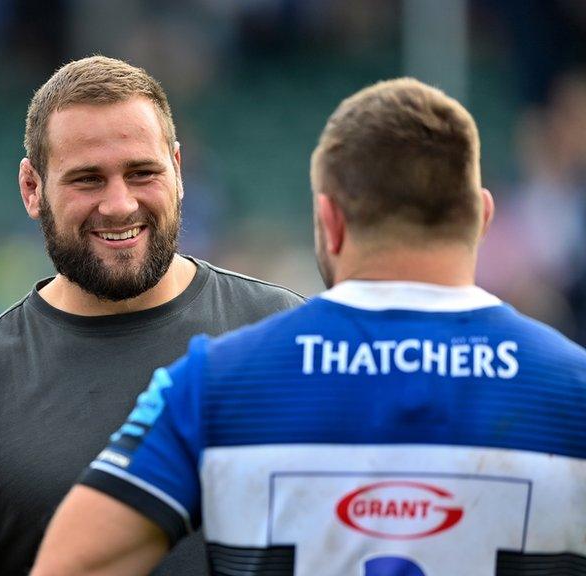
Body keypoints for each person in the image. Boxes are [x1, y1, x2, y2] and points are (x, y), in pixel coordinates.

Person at [32, 77, 586, 576]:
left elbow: (70, 564)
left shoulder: (213, 384)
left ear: (329, 221)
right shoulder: (573, 390)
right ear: (484, 217)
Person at [0, 55, 303, 576]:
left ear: (178, 168)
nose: (120, 204)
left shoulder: (280, 333)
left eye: (142, 172)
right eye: (87, 180)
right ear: (32, 189)